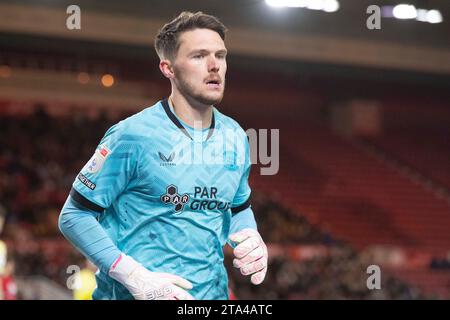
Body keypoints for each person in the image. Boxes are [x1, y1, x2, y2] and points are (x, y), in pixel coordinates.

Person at [59, 11, 268, 300]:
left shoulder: (235, 136)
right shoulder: (132, 136)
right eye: (199, 56)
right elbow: (74, 216)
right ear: (168, 68)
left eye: (220, 56)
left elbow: (238, 208)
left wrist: (250, 235)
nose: (214, 66)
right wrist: (133, 275)